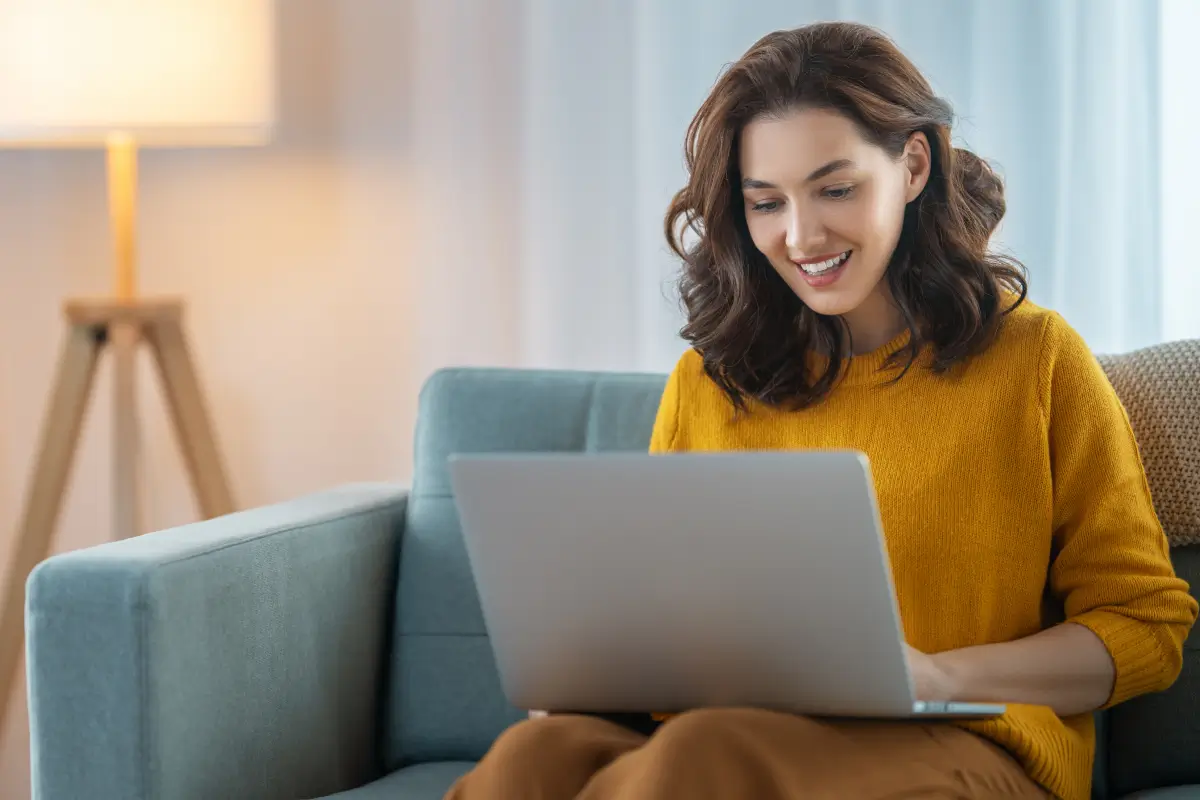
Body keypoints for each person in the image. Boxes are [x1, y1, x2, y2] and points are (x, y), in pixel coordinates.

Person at [444, 20, 1197, 800]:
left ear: (912, 165)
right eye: (766, 202)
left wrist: (936, 674)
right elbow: (663, 615)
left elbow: (1144, 624)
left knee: (707, 752)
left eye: (836, 189)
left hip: (965, 748)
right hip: (727, 734)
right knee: (530, 761)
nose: (801, 236)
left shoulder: (1034, 360)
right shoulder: (707, 381)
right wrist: (594, 668)